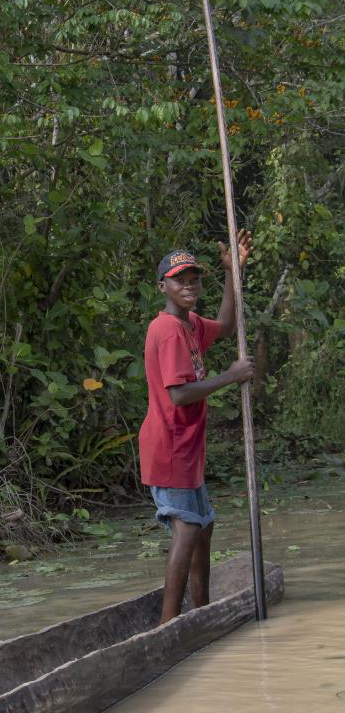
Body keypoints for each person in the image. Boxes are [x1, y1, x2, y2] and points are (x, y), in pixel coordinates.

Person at [138, 231, 254, 625]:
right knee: (187, 530)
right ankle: (170, 624)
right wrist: (230, 375)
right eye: (179, 281)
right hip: (169, 446)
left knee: (204, 527)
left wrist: (231, 272)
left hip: (188, 448)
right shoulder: (167, 329)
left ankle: (201, 612)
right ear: (163, 287)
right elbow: (179, 395)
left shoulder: (189, 324)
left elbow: (225, 323)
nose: (188, 286)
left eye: (193, 280)